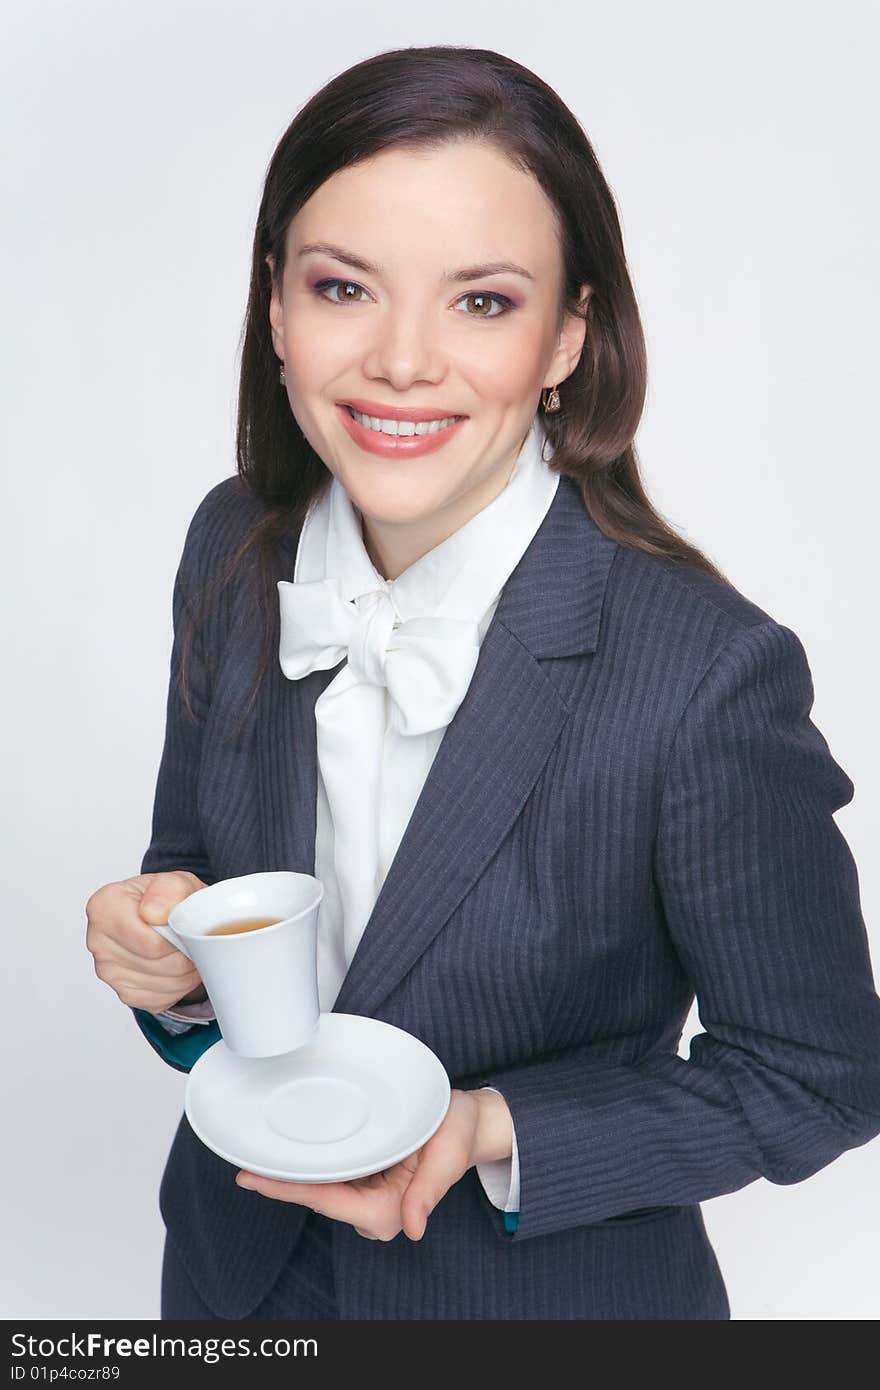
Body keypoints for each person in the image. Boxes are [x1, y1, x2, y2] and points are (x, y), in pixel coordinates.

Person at [84, 45, 880, 1321]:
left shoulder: (705, 674)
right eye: (344, 286)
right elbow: (201, 882)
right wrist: (168, 952)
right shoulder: (231, 549)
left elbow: (818, 1074)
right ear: (276, 308)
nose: (401, 361)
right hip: (234, 1288)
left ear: (569, 334)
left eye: (482, 302)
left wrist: (490, 1127)